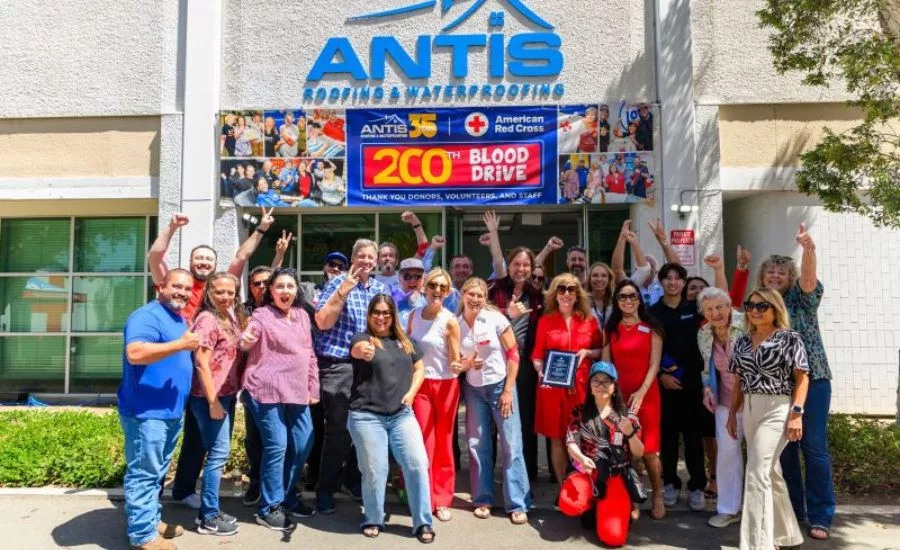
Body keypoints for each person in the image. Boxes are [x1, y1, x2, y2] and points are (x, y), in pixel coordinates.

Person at [147, 211, 274, 510]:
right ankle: (155, 495)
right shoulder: (178, 286)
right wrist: (172, 227)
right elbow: (155, 257)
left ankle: (183, 490)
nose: (203, 262)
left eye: (209, 259)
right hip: (178, 373)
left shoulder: (222, 292)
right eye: (199, 258)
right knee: (168, 435)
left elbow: (242, 256)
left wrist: (261, 230)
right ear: (191, 263)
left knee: (200, 438)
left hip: (210, 379)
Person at [761, 224, 835, 541]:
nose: (775, 277)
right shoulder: (760, 306)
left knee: (813, 447)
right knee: (785, 451)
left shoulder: (802, 299)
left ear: (789, 277)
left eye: (781, 273)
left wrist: (808, 249)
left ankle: (821, 514)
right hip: (777, 387)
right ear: (763, 277)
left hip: (813, 380)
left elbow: (808, 281)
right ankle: (793, 510)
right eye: (770, 273)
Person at [118, 269, 199, 550]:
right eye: (177, 286)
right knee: (144, 472)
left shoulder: (176, 317)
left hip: (169, 411)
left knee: (156, 472)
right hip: (146, 411)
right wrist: (182, 344)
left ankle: (150, 521)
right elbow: (136, 353)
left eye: (187, 289)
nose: (183, 292)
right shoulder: (147, 316)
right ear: (160, 287)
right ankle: (142, 536)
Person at [348, 294, 435, 543]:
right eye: (376, 311)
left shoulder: (405, 341)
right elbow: (357, 350)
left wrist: (411, 393)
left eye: (386, 312)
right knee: (375, 471)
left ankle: (423, 522)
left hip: (401, 415)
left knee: (417, 464)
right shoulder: (363, 339)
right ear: (369, 314)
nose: (381, 317)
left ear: (393, 315)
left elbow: (420, 368)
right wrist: (362, 351)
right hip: (367, 416)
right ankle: (373, 518)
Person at [727, 288, 808, 550]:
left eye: (762, 306)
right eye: (751, 305)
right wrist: (732, 413)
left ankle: (756, 544)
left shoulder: (789, 338)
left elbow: (802, 377)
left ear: (775, 309)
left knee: (756, 473)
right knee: (770, 472)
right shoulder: (741, 339)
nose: (755, 310)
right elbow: (739, 379)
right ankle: (786, 534)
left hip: (778, 407)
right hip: (750, 407)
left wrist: (796, 414)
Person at [239, 268, 319, 530]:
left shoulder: (302, 316)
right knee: (278, 447)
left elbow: (309, 354)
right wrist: (246, 339)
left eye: (290, 286)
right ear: (270, 291)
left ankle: (286, 495)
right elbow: (248, 337)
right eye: (280, 287)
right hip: (266, 389)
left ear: (297, 290)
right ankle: (269, 506)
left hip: (296, 391)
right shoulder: (261, 315)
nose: (285, 291)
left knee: (303, 443)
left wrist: (313, 386)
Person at [313, 239, 386, 514]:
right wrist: (342, 292)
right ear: (353, 259)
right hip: (339, 365)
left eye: (371, 257)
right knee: (339, 431)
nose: (366, 261)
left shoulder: (379, 289)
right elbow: (322, 323)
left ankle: (353, 480)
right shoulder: (337, 283)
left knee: (366, 428)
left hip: (368, 365)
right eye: (361, 256)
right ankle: (325, 489)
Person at [459, 278, 531, 525]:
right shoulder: (454, 324)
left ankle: (518, 503)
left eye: (480, 295)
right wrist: (467, 364)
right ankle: (482, 498)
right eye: (471, 294)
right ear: (462, 294)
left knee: (511, 444)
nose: (476, 299)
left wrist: (509, 389)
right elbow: (455, 362)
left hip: (501, 385)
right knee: (477, 444)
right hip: (473, 389)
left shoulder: (495, 319)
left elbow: (513, 353)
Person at [532, 274, 603, 504]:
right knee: (557, 439)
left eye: (571, 290)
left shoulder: (589, 321)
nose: (566, 294)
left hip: (582, 389)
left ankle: (586, 485)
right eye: (561, 289)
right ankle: (564, 488)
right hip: (552, 390)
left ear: (577, 294)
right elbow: (537, 355)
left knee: (584, 438)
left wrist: (588, 353)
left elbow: (601, 349)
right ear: (554, 293)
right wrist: (541, 371)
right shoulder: (546, 321)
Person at [560, 361, 645, 548]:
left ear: (615, 387)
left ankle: (616, 504)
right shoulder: (580, 412)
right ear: (590, 386)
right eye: (596, 381)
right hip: (588, 472)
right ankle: (592, 505)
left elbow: (639, 452)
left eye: (607, 381)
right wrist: (582, 458)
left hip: (615, 474)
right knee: (569, 503)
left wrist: (630, 433)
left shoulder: (626, 415)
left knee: (613, 538)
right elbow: (571, 443)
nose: (601, 386)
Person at [602, 280, 665, 520]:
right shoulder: (611, 329)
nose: (628, 300)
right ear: (617, 302)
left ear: (639, 299)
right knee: (624, 449)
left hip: (646, 396)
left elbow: (654, 364)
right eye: (622, 297)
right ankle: (632, 495)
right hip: (620, 397)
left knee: (649, 450)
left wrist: (642, 391)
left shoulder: (652, 328)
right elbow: (607, 366)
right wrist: (611, 396)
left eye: (632, 296)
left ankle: (657, 493)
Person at [648, 262, 708, 512]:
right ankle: (670, 482)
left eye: (677, 278)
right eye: (667, 278)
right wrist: (661, 374)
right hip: (665, 385)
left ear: (684, 283)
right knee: (669, 439)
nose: (673, 282)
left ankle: (697, 486)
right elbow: (649, 349)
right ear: (661, 283)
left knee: (694, 439)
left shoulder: (696, 309)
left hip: (694, 384)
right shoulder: (652, 312)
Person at [189, 273, 245, 536]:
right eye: (220, 292)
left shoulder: (228, 316)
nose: (225, 297)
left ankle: (211, 509)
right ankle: (208, 517)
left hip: (226, 395)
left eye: (230, 292)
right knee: (218, 455)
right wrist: (213, 402)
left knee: (218, 453)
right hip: (209, 397)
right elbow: (201, 363)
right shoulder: (207, 320)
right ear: (209, 292)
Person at [407, 268, 462, 522]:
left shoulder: (450, 320)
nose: (437, 291)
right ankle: (423, 496)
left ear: (448, 291)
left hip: (446, 386)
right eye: (433, 286)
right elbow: (407, 351)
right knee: (423, 443)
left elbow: (454, 361)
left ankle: (441, 498)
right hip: (421, 385)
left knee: (443, 441)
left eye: (442, 287)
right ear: (424, 288)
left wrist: (465, 364)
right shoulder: (413, 316)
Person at [487, 247, 544, 482]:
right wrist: (507, 314)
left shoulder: (537, 294)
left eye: (526, 265)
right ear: (509, 265)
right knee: (492, 422)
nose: (521, 269)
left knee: (526, 421)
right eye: (517, 264)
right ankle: (488, 474)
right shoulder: (494, 290)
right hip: (496, 364)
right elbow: (484, 321)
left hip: (526, 367)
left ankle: (527, 474)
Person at [697, 286, 746, 529]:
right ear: (703, 313)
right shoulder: (704, 333)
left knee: (761, 459)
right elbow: (706, 369)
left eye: (719, 307)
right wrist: (707, 389)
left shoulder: (746, 325)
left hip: (752, 401)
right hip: (725, 403)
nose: (715, 313)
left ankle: (764, 513)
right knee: (727, 456)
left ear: (729, 306)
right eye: (709, 309)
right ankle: (729, 509)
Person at [393, 258, 427, 328]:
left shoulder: (429, 304)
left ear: (423, 278)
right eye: (407, 276)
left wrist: (416, 302)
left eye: (418, 276)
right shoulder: (392, 304)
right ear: (399, 277)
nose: (412, 280)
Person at [587, 262, 615, 327]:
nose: (599, 279)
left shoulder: (616, 301)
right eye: (595, 275)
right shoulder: (582, 301)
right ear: (589, 279)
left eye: (604, 276)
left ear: (609, 279)